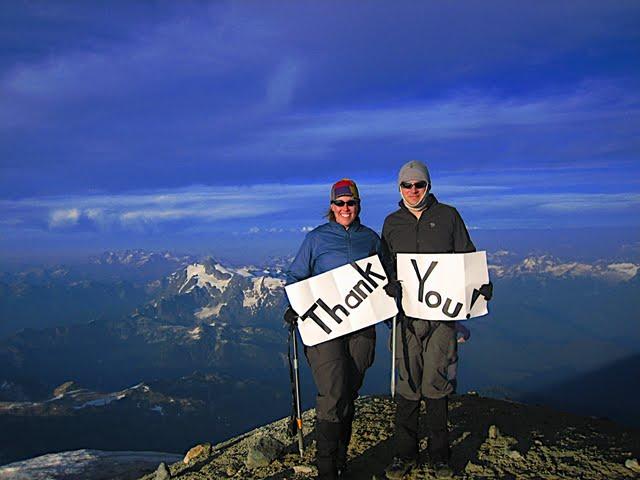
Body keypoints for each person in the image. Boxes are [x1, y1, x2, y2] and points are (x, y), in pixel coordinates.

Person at [382, 160, 492, 479]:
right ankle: (405, 454)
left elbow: (466, 257)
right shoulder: (392, 223)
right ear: (399, 188)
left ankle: (440, 456)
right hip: (406, 320)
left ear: (428, 186)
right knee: (408, 385)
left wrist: (480, 287)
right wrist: (389, 282)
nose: (413, 191)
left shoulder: (448, 216)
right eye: (407, 185)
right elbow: (384, 262)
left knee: (436, 384)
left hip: (442, 319)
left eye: (419, 185)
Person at [285, 179, 386, 480]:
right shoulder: (316, 239)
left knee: (350, 391)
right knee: (333, 391)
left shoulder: (370, 239)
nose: (345, 208)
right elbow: (296, 275)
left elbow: (384, 275)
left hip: (361, 326)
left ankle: (341, 458)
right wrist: (295, 303)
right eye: (339, 203)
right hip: (324, 328)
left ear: (358, 206)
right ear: (331, 206)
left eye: (350, 203)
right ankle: (327, 468)